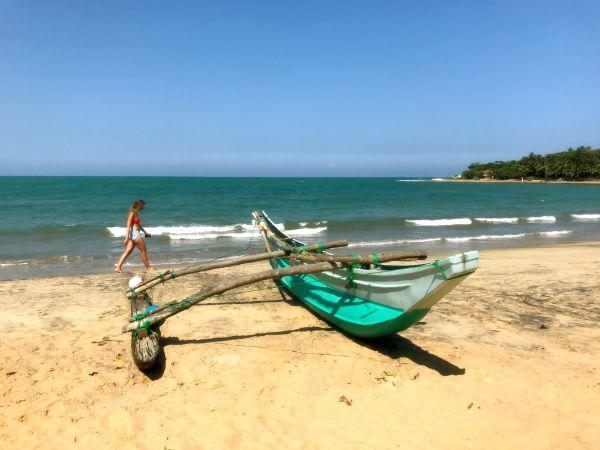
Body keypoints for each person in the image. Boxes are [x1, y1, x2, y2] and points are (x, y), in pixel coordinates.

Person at [114, 199, 154, 273]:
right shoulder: (132, 213)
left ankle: (118, 267)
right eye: (142, 205)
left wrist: (145, 232)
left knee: (128, 251)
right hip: (135, 234)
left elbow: (137, 225)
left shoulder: (136, 213)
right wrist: (127, 237)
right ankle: (148, 268)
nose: (143, 207)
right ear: (139, 205)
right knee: (143, 250)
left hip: (134, 234)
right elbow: (128, 225)